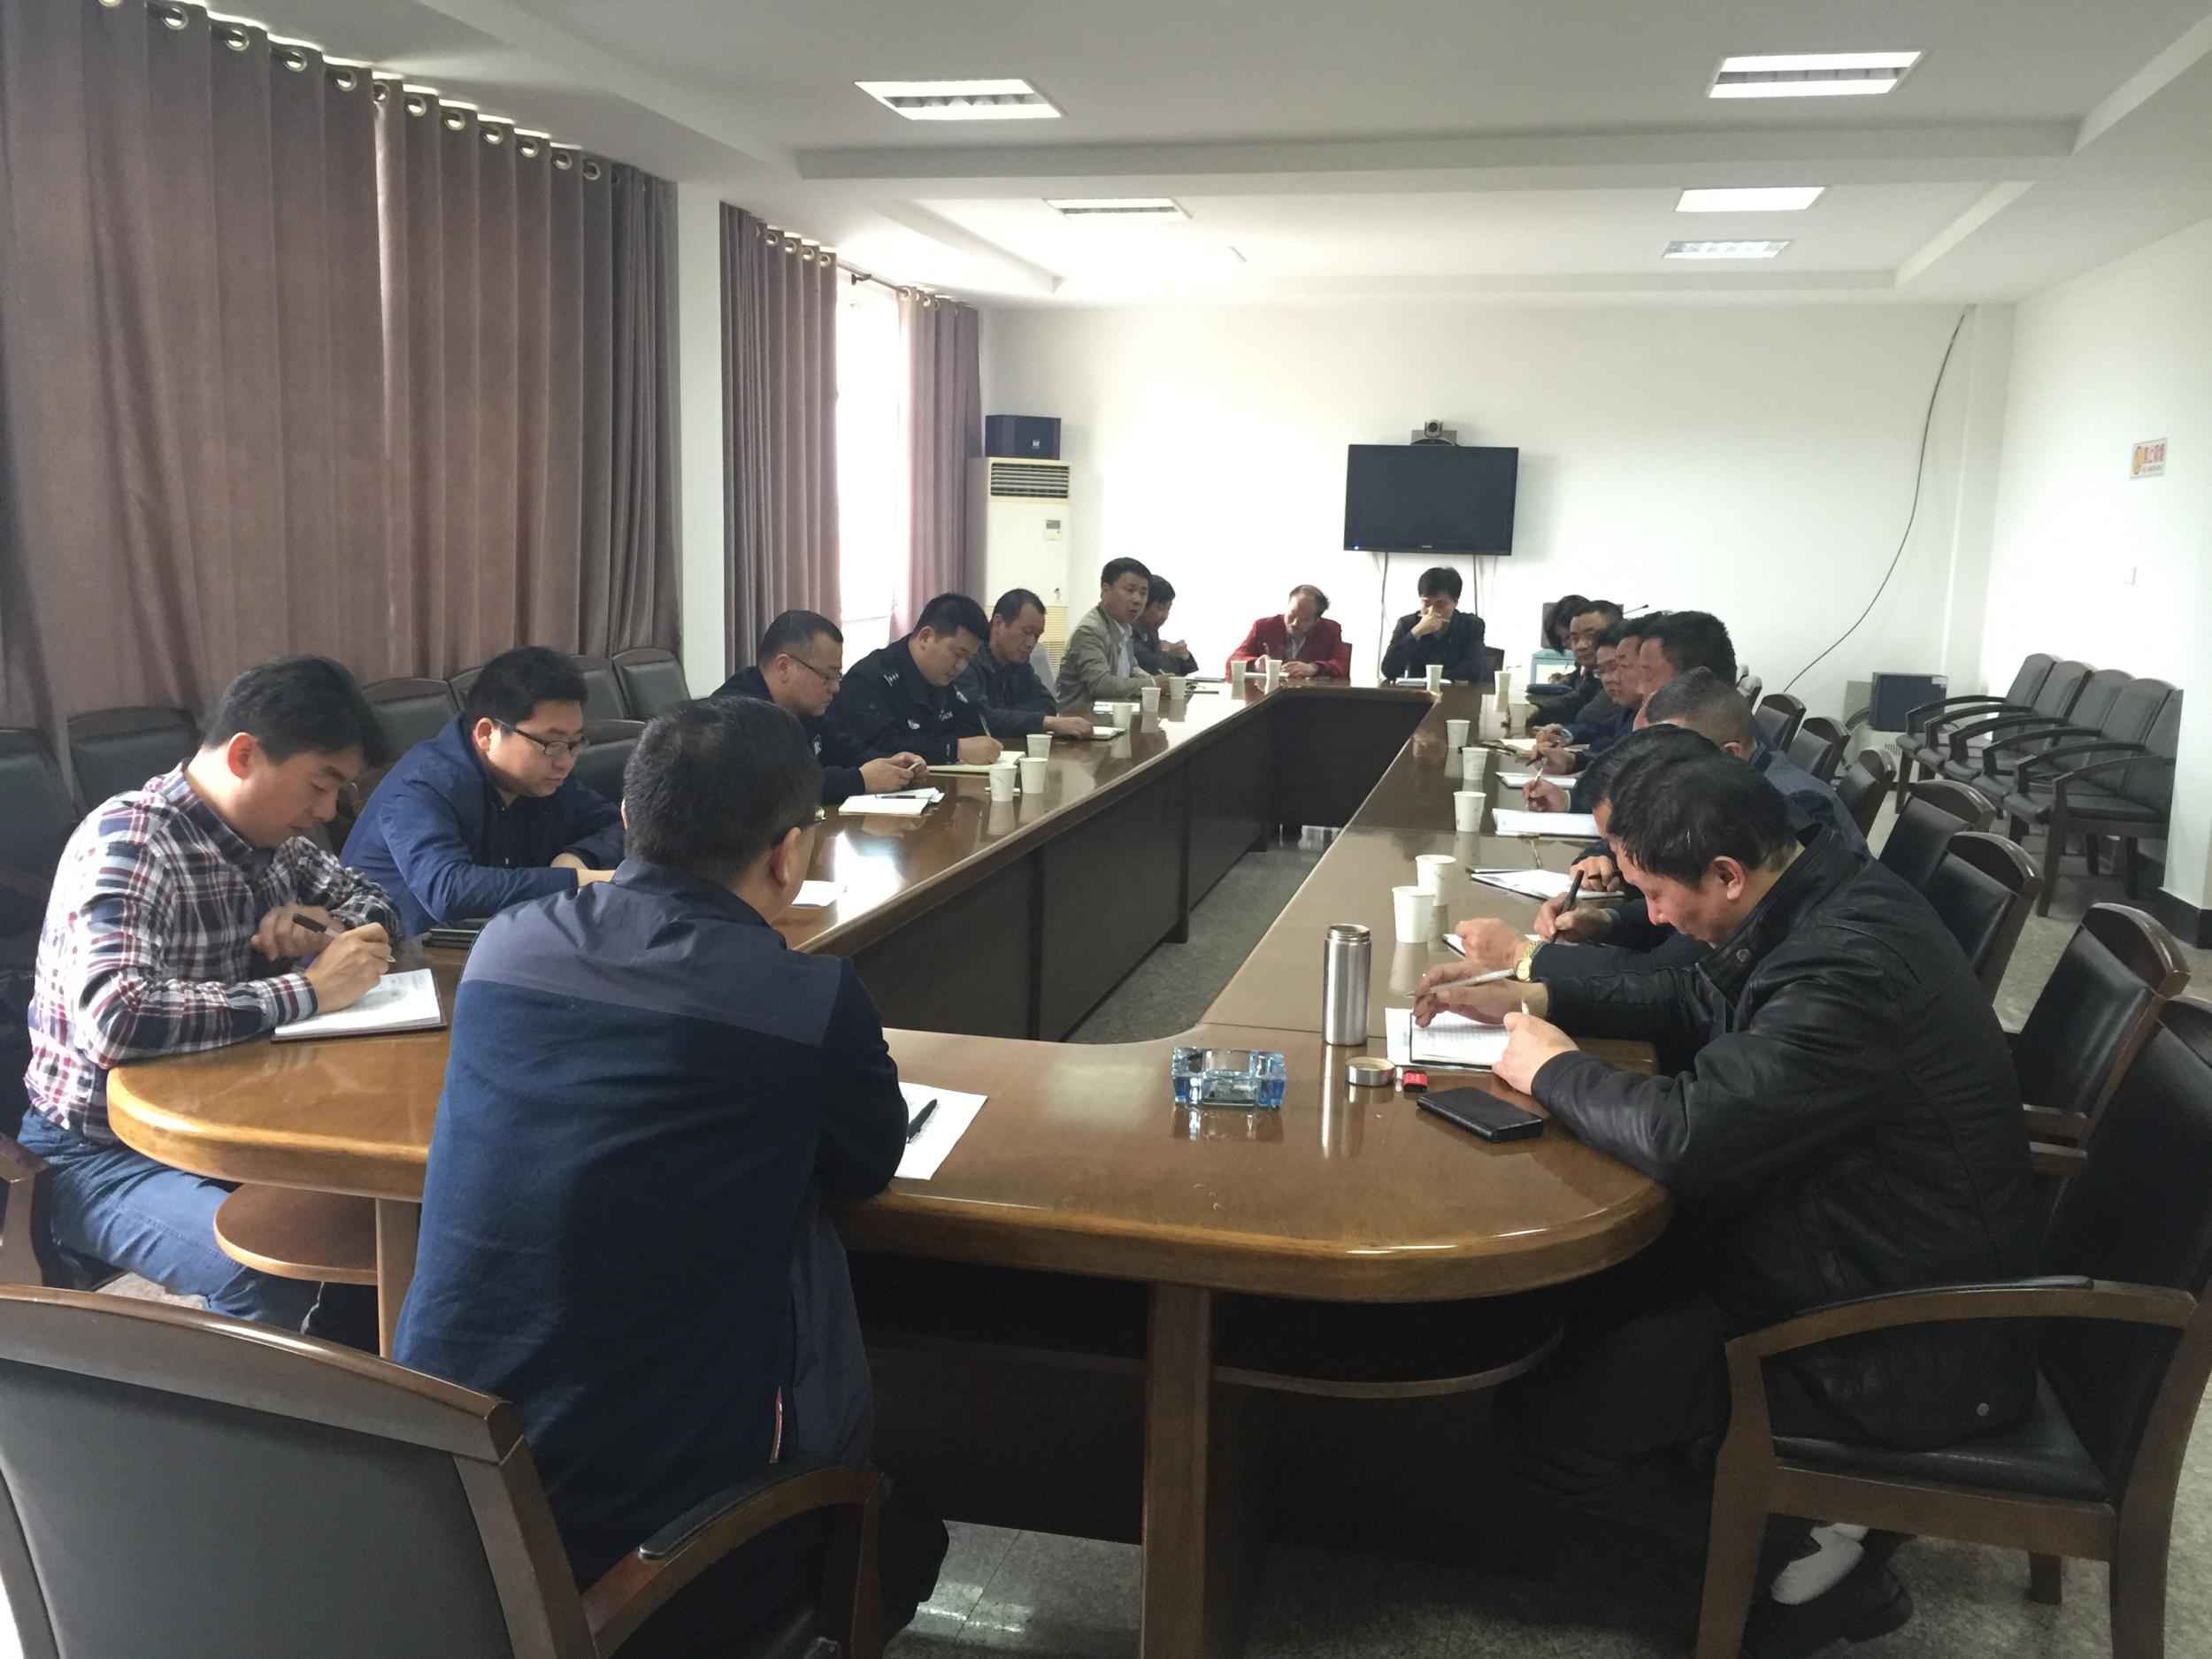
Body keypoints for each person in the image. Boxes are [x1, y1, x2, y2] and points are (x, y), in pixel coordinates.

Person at [1415, 742, 2036, 1655]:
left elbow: (1687, 1134)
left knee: (1551, 1426)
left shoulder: (1848, 967)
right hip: (1834, 1242)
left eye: (1658, 896)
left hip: (1887, 1332)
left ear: (1726, 873)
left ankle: (1801, 1559)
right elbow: (1689, 996)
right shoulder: (1818, 895)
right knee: (1569, 1305)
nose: (1654, 917)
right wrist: (1534, 993)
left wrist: (1553, 1070)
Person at [395, 698, 942, 1649]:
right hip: (662, 1561)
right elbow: (866, 1163)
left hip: (448, 1512)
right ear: (787, 855)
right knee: (906, 1536)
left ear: (628, 821)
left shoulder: (506, 945)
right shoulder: (805, 999)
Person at [20, 656, 398, 1333]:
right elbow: (117, 1016)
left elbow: (380, 906)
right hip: (99, 1154)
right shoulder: (133, 840)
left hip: (236, 1125)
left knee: (381, 1217)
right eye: (321, 784)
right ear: (245, 754)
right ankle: (238, 1396)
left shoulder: (278, 842)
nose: (327, 811)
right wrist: (307, 990)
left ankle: (362, 1377)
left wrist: (329, 925)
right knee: (264, 1271)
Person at [343, 646, 625, 937]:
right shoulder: (423, 785)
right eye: (551, 744)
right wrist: (576, 880)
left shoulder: (541, 779)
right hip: (395, 956)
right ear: (487, 734)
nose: (565, 761)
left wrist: (579, 857)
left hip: (489, 943)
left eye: (574, 743)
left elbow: (622, 826)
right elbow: (450, 892)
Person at [714, 610, 926, 803]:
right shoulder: (736, 716)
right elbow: (776, 789)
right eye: (827, 676)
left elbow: (846, 751)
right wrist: (860, 780)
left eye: (837, 676)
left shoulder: (804, 708)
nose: (835, 688)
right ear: (784, 667)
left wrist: (894, 764)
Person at [826, 592, 1002, 766]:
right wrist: (953, 749)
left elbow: (971, 725)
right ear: (925, 637)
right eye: (958, 654)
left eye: (969, 659)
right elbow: (879, 747)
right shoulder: (869, 680)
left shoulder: (942, 677)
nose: (960, 666)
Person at [956, 589, 1095, 741]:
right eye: (1026, 632)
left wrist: (1005, 716)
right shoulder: (967, 660)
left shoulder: (1018, 663)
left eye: (1037, 636)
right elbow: (981, 719)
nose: (1031, 643)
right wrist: (1042, 722)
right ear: (998, 624)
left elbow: (1047, 704)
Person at [1532, 617, 1648, 774]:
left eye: (1618, 667)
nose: (1609, 679)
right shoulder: (1630, 706)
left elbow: (1619, 748)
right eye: (1601, 671)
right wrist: (1565, 735)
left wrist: (1579, 755)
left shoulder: (1659, 712)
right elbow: (1601, 728)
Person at [1056, 557, 1173, 710]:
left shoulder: (1124, 627)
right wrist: (1152, 683)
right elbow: (1101, 684)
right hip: (1082, 717)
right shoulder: (1089, 631)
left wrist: (1159, 682)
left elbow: (1132, 669)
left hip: (1112, 715)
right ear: (1106, 591)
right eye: (1130, 590)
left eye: (1143, 593)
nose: (1137, 600)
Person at [1379, 565, 1486, 683]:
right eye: (1426, 603)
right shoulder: (1407, 624)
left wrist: (1433, 679)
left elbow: (1475, 671)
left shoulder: (1471, 625)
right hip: (1416, 692)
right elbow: (1388, 670)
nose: (1432, 611)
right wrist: (1416, 633)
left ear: (1455, 602)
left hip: (1456, 692)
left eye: (1440, 604)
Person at [1225, 583, 1350, 680]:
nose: (1295, 623)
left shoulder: (1329, 630)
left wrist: (1313, 668)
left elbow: (1342, 664)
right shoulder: (1263, 627)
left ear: (1316, 621)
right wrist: (1255, 664)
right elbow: (1233, 661)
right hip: (1267, 696)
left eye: (1304, 619)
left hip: (1311, 697)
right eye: (1292, 615)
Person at [1132, 574, 1200, 675]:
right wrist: (1169, 655)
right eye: (1160, 608)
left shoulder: (1151, 632)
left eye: (1168, 609)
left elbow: (1189, 670)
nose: (1165, 616)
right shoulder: (1127, 632)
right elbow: (1155, 668)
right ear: (1142, 605)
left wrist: (1185, 655)